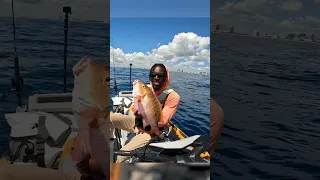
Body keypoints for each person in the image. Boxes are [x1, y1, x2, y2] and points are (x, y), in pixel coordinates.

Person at [110, 63, 180, 163]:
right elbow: (134, 109)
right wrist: (136, 110)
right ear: (149, 77)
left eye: (160, 76)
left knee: (120, 156)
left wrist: (146, 117)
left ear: (166, 78)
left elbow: (163, 121)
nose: (156, 78)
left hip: (152, 131)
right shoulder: (146, 89)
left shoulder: (173, 96)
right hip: (137, 123)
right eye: (153, 75)